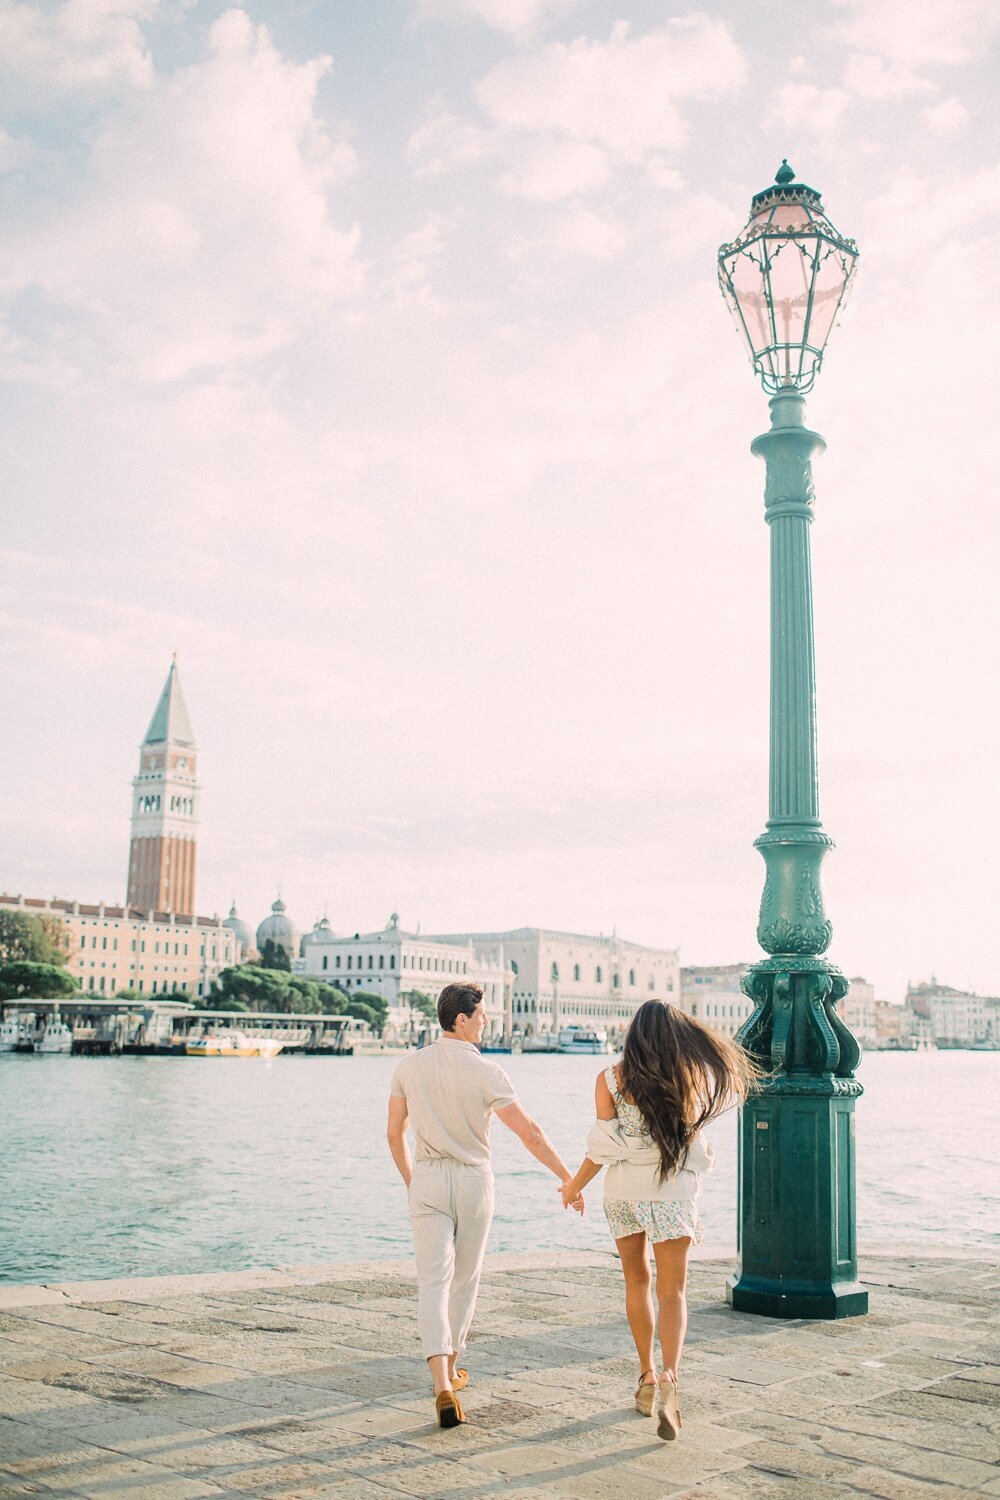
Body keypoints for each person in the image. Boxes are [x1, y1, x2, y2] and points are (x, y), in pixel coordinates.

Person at [560, 1000, 759, 1441]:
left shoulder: (610, 1079)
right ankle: (670, 1376)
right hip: (671, 1192)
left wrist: (574, 1187)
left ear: (634, 1034)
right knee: (673, 1292)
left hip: (624, 1194)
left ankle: (646, 1376)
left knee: (637, 1282)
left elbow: (601, 1147)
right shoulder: (688, 1077)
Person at [387, 981, 583, 1428]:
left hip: (429, 1177)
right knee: (465, 1280)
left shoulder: (409, 1066)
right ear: (461, 1019)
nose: (486, 1022)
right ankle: (453, 1370)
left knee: (433, 1283)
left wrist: (411, 1180)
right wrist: (568, 1178)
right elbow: (529, 1132)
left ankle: (441, 1381)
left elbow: (393, 1131)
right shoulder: (488, 1072)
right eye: (481, 1016)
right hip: (474, 1180)